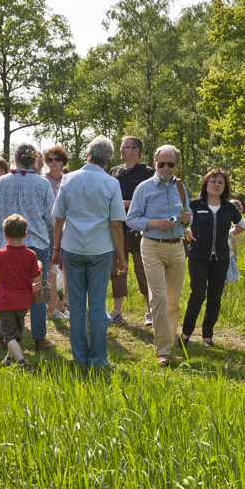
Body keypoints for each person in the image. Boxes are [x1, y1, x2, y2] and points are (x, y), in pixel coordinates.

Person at [52, 135, 127, 367]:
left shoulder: (68, 179)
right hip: (100, 250)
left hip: (72, 247)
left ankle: (79, 357)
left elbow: (58, 219)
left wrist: (56, 249)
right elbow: (116, 223)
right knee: (96, 306)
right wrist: (122, 256)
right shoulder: (111, 183)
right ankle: (98, 359)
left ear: (87, 154)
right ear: (108, 160)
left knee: (75, 306)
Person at [0, 142, 57, 351]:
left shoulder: (1, 182)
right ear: (34, 161)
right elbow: (51, 218)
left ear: (15, 159)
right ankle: (39, 338)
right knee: (38, 292)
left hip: (7, 246)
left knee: (6, 289)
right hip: (36, 246)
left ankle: (4, 336)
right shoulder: (43, 184)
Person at [126, 144, 192, 368]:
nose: (165, 168)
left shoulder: (181, 187)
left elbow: (187, 213)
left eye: (170, 164)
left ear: (176, 165)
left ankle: (169, 346)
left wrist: (187, 219)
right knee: (159, 298)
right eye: (161, 163)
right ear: (155, 163)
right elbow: (131, 219)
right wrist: (155, 223)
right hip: (152, 246)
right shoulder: (144, 188)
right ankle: (162, 351)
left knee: (173, 300)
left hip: (177, 247)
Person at [180, 169, 244, 347]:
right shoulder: (194, 204)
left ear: (225, 187)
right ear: (205, 184)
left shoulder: (229, 208)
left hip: (221, 257)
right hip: (198, 255)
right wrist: (185, 231)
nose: (216, 185)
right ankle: (185, 334)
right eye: (213, 181)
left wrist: (230, 234)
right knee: (198, 294)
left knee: (215, 297)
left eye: (220, 182)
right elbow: (179, 221)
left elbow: (242, 225)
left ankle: (207, 336)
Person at [108, 136, 155, 326]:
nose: (121, 150)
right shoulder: (114, 171)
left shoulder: (148, 172)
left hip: (139, 230)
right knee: (117, 271)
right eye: (121, 147)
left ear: (136, 150)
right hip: (116, 228)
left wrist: (126, 203)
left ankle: (150, 312)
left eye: (125, 147)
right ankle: (117, 312)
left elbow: (151, 199)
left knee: (143, 271)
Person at [0, 214, 43, 372]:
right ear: (25, 235)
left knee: (9, 336)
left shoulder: (0, 254)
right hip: (23, 300)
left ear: (5, 235)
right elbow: (37, 277)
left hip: (6, 301)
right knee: (16, 333)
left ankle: (23, 364)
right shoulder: (31, 255)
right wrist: (40, 265)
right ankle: (9, 359)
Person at [43, 145, 70, 320]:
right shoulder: (43, 180)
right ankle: (51, 307)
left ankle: (61, 305)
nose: (53, 163)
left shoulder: (68, 180)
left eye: (56, 159)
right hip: (48, 230)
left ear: (63, 162)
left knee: (65, 270)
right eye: (50, 159)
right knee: (51, 270)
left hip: (68, 229)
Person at [226, 199, 245, 286]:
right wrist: (235, 254)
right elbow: (234, 239)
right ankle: (224, 295)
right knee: (226, 277)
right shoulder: (233, 223)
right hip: (225, 250)